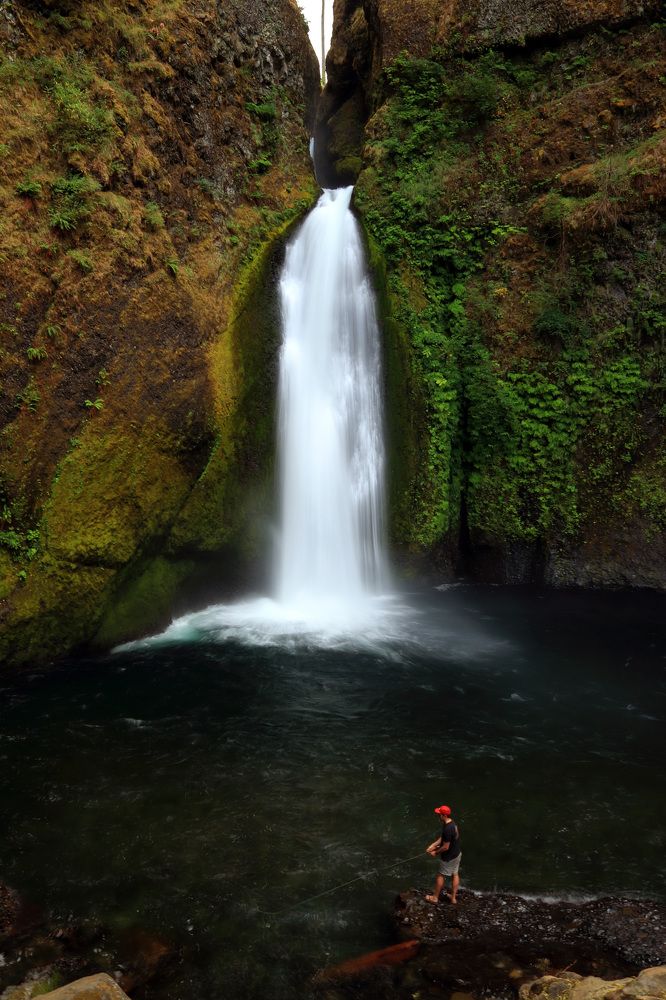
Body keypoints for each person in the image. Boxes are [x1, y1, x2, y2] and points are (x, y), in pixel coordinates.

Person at [425, 804, 461, 904]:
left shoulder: (447, 829)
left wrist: (435, 852)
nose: (438, 816)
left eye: (439, 814)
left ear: (444, 816)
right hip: (457, 854)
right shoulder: (452, 823)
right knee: (455, 874)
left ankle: (435, 898)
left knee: (440, 875)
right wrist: (433, 845)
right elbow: (445, 839)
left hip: (448, 857)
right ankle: (453, 898)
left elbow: (445, 847)